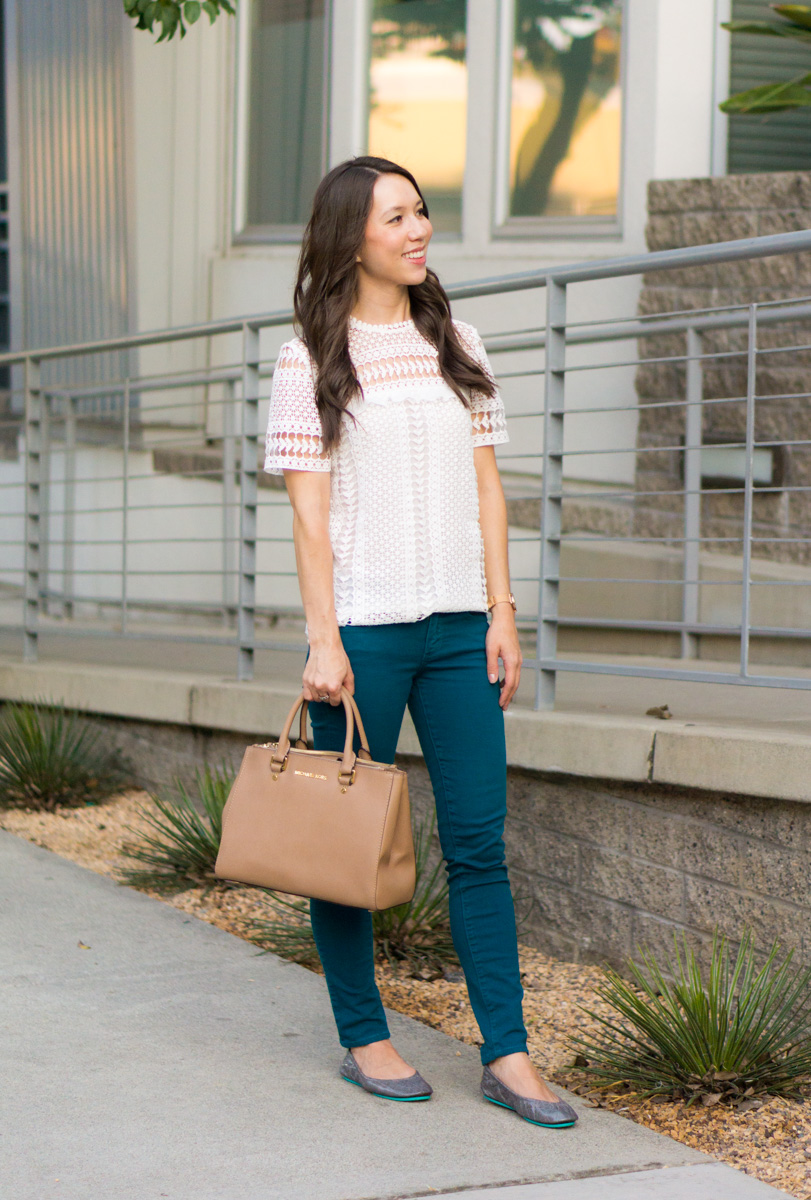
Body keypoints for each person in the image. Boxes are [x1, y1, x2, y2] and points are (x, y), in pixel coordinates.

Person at [264, 156, 577, 1129]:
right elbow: (308, 517)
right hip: (361, 632)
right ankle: (364, 1036)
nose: (418, 228)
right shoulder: (307, 358)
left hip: (456, 628)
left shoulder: (457, 341)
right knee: (343, 845)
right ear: (350, 233)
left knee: (479, 841)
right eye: (396, 215)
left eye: (421, 211)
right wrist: (324, 638)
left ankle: (508, 1053)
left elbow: (488, 489)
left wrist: (503, 610)